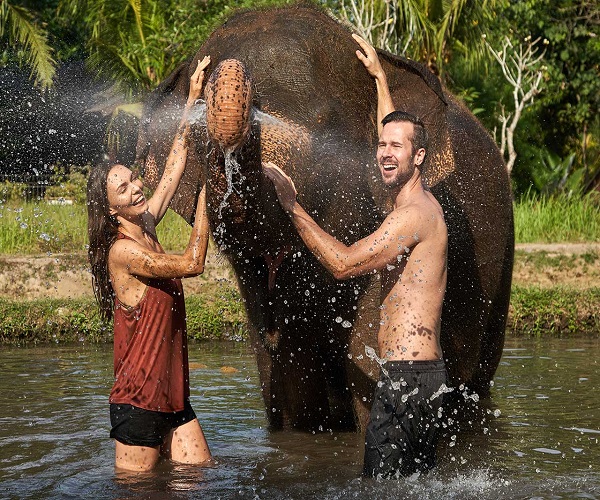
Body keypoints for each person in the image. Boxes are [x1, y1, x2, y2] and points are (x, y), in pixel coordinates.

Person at [263, 35, 449, 478]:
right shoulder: (409, 202)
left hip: (408, 377)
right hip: (417, 376)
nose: (385, 152)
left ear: (419, 157)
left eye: (396, 148)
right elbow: (394, 133)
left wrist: (291, 205)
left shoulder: (413, 217)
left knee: (377, 487)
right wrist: (381, 80)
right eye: (381, 145)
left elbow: (344, 263)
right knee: (412, 486)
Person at [87, 56, 213, 472]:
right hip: (137, 404)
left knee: (202, 480)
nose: (136, 188)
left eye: (134, 179)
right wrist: (210, 192)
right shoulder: (123, 252)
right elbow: (193, 262)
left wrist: (192, 100)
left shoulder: (147, 223)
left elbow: (175, 164)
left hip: (175, 399)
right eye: (122, 189)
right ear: (110, 210)